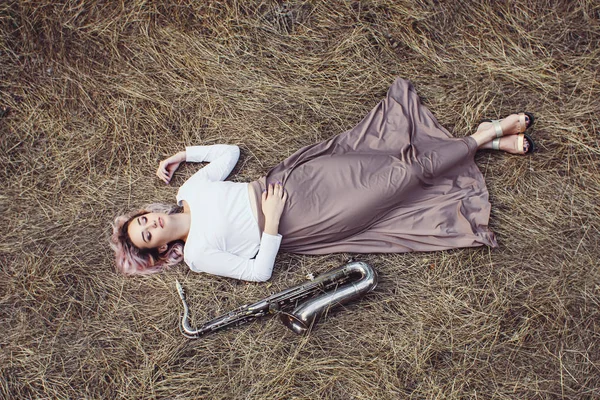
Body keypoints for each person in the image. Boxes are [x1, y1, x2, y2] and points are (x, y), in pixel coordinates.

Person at [110, 78, 535, 281]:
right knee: (402, 179)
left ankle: (482, 144)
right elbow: (258, 273)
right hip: (305, 220)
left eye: (143, 220)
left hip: (297, 181)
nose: (151, 226)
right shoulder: (200, 254)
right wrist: (272, 222)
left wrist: (183, 154)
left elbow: (229, 154)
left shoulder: (189, 191)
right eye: (147, 237)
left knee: (385, 157)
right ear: (162, 248)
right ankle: (486, 134)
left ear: (149, 212)